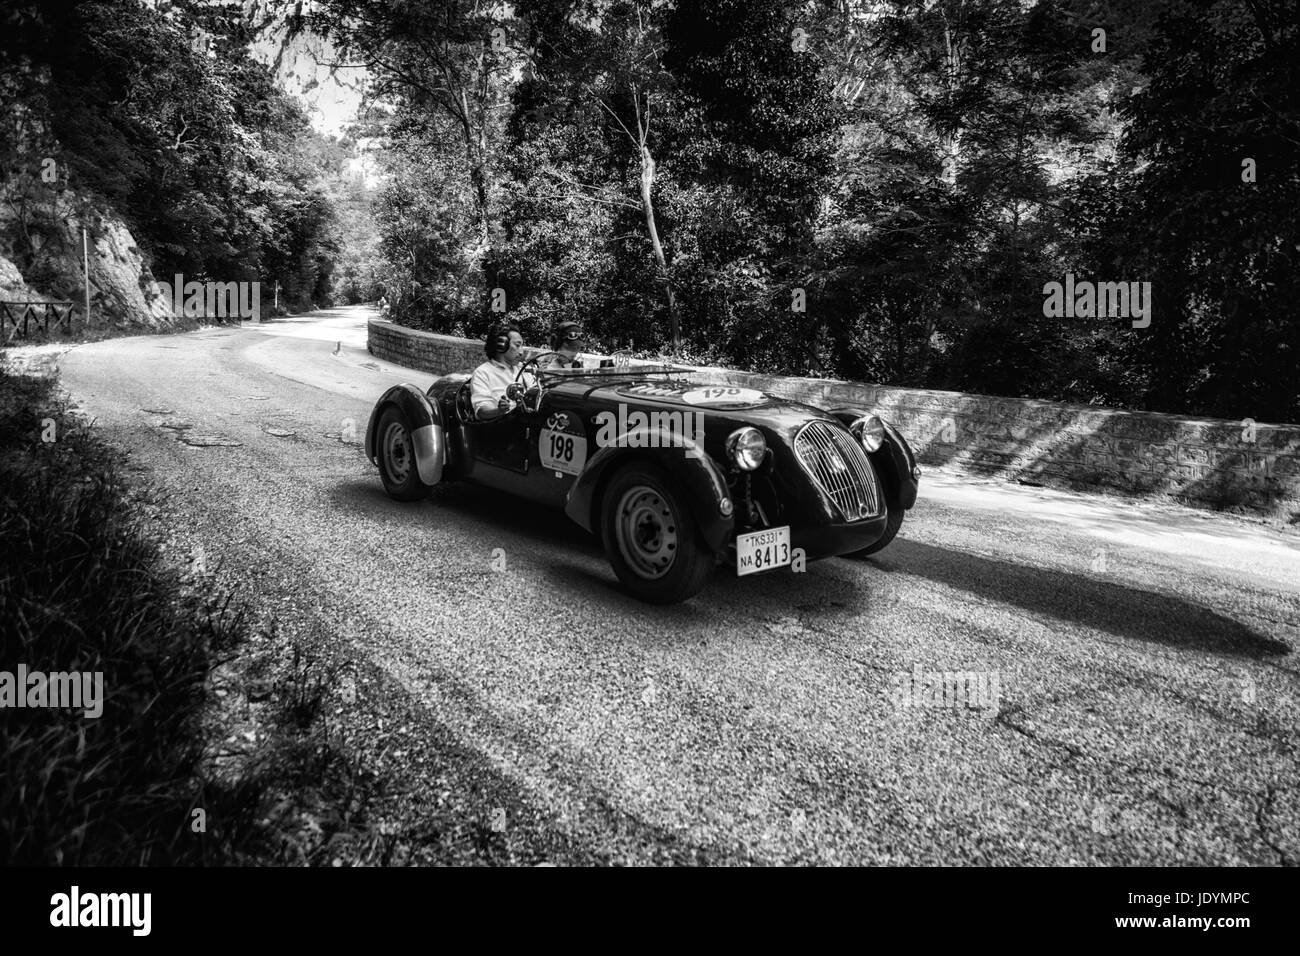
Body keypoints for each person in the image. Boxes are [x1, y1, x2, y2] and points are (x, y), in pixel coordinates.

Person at [470, 323, 524, 421]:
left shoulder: (524, 370)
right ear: (502, 345)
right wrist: (499, 410)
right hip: (502, 427)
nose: (521, 352)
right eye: (517, 345)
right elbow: (481, 410)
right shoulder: (483, 373)